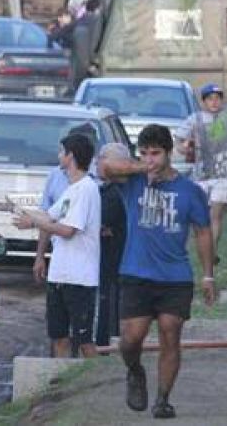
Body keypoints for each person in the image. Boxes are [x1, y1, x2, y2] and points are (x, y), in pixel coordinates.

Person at [101, 124, 215, 419]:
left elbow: (203, 232)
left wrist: (207, 275)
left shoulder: (190, 191)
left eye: (156, 153)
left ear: (169, 153)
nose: (150, 159)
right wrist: (141, 167)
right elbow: (105, 167)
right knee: (131, 338)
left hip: (175, 277)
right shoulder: (133, 182)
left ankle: (163, 399)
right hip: (136, 273)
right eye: (145, 153)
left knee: (170, 332)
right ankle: (135, 370)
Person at [12, 133, 102, 359]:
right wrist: (12, 208)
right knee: (59, 336)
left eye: (62, 151)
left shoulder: (86, 188)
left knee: (84, 341)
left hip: (80, 278)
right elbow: (48, 216)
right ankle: (63, 385)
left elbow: (68, 230)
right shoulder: (71, 190)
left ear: (71, 156)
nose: (58, 156)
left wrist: (32, 221)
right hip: (60, 275)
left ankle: (99, 382)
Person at [178, 59, 227, 262]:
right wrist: (186, 148)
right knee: (200, 218)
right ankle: (205, 251)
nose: (214, 102)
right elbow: (180, 144)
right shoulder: (193, 120)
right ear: (203, 101)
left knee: (216, 215)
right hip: (201, 176)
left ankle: (211, 253)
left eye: (217, 98)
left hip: (223, 174)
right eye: (209, 98)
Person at [94, 142, 130, 347]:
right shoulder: (113, 190)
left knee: (109, 305)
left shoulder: (114, 193)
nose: (97, 163)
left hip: (113, 261)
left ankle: (105, 344)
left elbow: (97, 224)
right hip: (113, 261)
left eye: (102, 158)